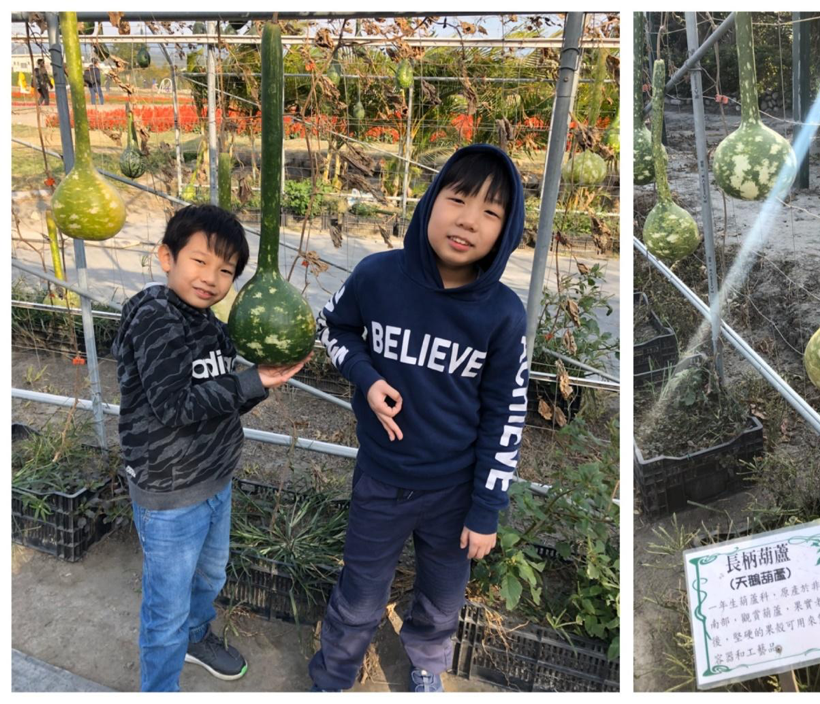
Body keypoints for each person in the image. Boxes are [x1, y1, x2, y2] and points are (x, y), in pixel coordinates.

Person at [311, 144, 529, 692]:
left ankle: (427, 664)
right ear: (431, 201)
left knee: (441, 595)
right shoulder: (377, 277)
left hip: (454, 492)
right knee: (360, 591)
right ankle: (334, 673)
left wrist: (486, 508)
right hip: (382, 479)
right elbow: (332, 328)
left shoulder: (503, 315)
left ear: (505, 230)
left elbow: (508, 413)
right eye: (457, 199)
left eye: (490, 212)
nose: (468, 220)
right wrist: (367, 377)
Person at [111, 204, 312, 691]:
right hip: (170, 494)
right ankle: (159, 689)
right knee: (166, 608)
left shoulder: (212, 327)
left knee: (210, 578)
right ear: (167, 257)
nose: (211, 278)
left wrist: (261, 385)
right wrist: (250, 381)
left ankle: (197, 638)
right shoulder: (155, 317)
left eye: (226, 271)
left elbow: (219, 403)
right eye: (200, 261)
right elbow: (175, 406)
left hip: (213, 480)